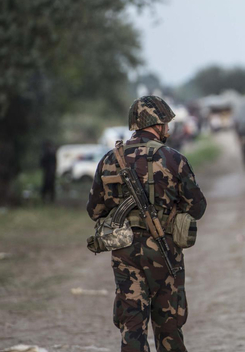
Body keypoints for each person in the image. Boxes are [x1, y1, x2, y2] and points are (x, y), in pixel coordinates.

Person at [87, 96, 207, 352]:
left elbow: (95, 210)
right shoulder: (174, 159)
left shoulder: (109, 160)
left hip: (125, 252)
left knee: (132, 327)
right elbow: (197, 207)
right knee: (169, 327)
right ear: (157, 124)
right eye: (166, 123)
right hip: (164, 251)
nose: (168, 128)